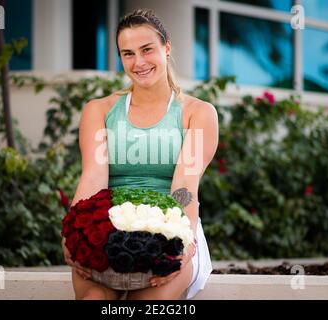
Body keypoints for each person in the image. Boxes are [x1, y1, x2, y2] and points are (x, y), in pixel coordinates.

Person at [62, 8, 218, 300]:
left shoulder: (198, 113)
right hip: (106, 232)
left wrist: (182, 243)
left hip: (173, 230)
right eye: (128, 53)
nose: (139, 62)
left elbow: (185, 187)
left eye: (147, 49)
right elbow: (93, 178)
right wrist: (73, 236)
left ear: (166, 47)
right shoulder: (100, 110)